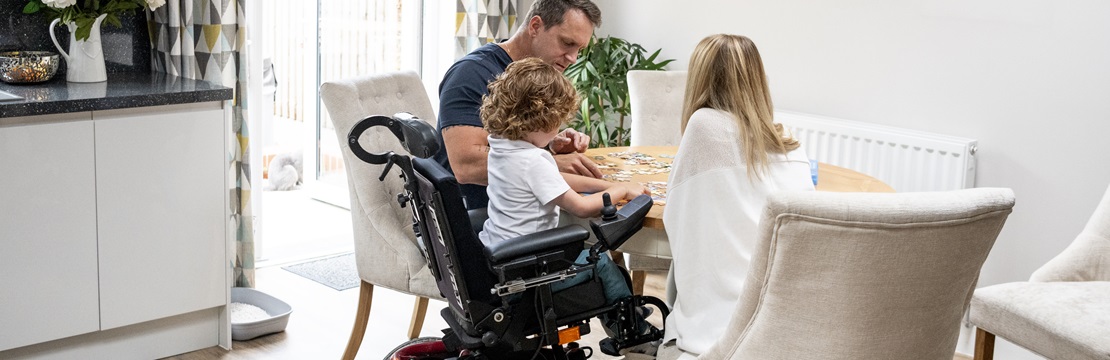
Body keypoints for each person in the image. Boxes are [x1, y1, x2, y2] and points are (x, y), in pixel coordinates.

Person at [659, 34, 816, 357]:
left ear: (700, 80)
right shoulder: (788, 144)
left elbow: (676, 215)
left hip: (721, 328)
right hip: (784, 319)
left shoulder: (703, 126)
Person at [478, 57, 647, 306]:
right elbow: (581, 207)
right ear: (541, 119)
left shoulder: (502, 147)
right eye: (557, 121)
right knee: (600, 262)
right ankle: (633, 330)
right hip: (530, 271)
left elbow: (554, 181)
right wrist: (621, 189)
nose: (559, 128)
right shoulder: (533, 159)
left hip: (501, 262)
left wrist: (606, 186)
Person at [435, 0, 604, 210]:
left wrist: (549, 145)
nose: (573, 58)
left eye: (579, 49)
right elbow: (466, 165)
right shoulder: (470, 74)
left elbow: (506, 146)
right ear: (535, 27)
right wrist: (546, 163)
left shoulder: (537, 76)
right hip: (485, 223)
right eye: (567, 43)